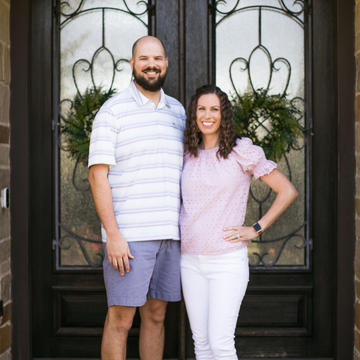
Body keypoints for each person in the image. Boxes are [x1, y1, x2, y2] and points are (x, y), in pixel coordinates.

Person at [179, 85, 298, 359]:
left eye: (214, 109)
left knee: (220, 343)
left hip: (226, 262)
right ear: (194, 114)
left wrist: (255, 229)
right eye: (201, 109)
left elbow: (287, 191)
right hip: (190, 260)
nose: (207, 115)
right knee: (202, 343)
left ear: (224, 114)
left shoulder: (240, 151)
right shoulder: (187, 153)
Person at [88, 36, 185, 360]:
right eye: (144, 58)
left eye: (157, 58)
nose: (151, 64)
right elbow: (97, 175)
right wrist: (113, 235)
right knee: (121, 319)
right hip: (129, 240)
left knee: (156, 317)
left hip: (170, 235)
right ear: (132, 64)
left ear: (166, 63)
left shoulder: (178, 112)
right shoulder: (113, 111)